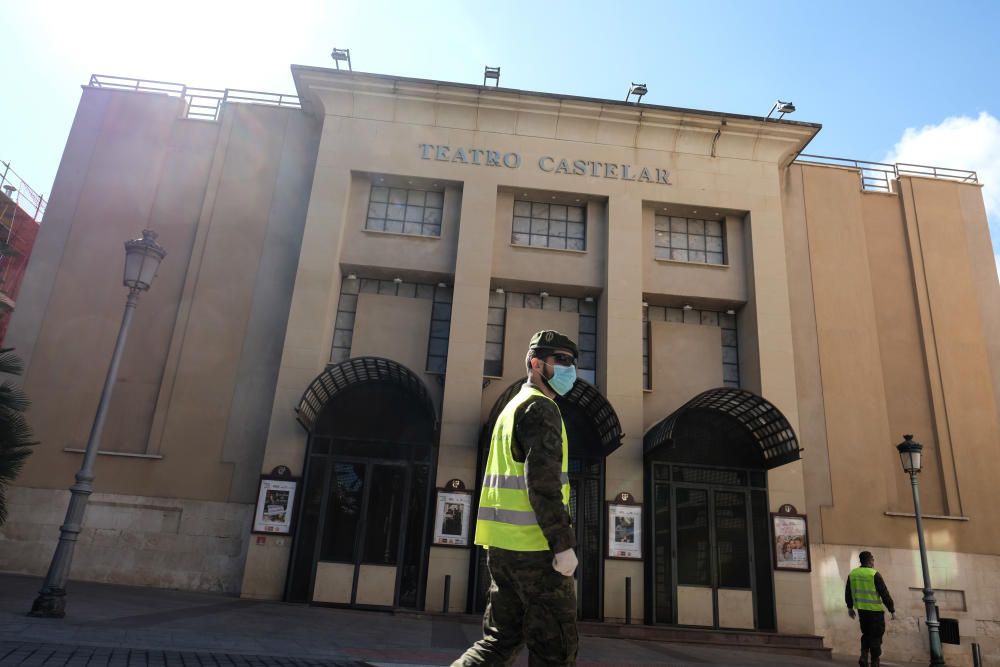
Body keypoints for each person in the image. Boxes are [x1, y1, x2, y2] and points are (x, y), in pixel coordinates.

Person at [452, 330, 579, 667]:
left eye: (572, 362)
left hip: (502, 549)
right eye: (561, 361)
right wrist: (563, 545)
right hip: (536, 552)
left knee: (499, 642)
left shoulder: (512, 408)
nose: (570, 369)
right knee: (556, 651)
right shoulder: (541, 408)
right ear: (536, 364)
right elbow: (543, 482)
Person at [846, 551, 896, 667]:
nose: (874, 562)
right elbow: (884, 593)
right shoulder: (874, 574)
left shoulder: (853, 574)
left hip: (862, 611)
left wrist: (850, 608)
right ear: (870, 561)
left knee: (866, 634)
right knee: (876, 636)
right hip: (875, 612)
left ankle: (863, 656)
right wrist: (891, 609)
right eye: (873, 560)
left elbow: (848, 593)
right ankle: (875, 661)